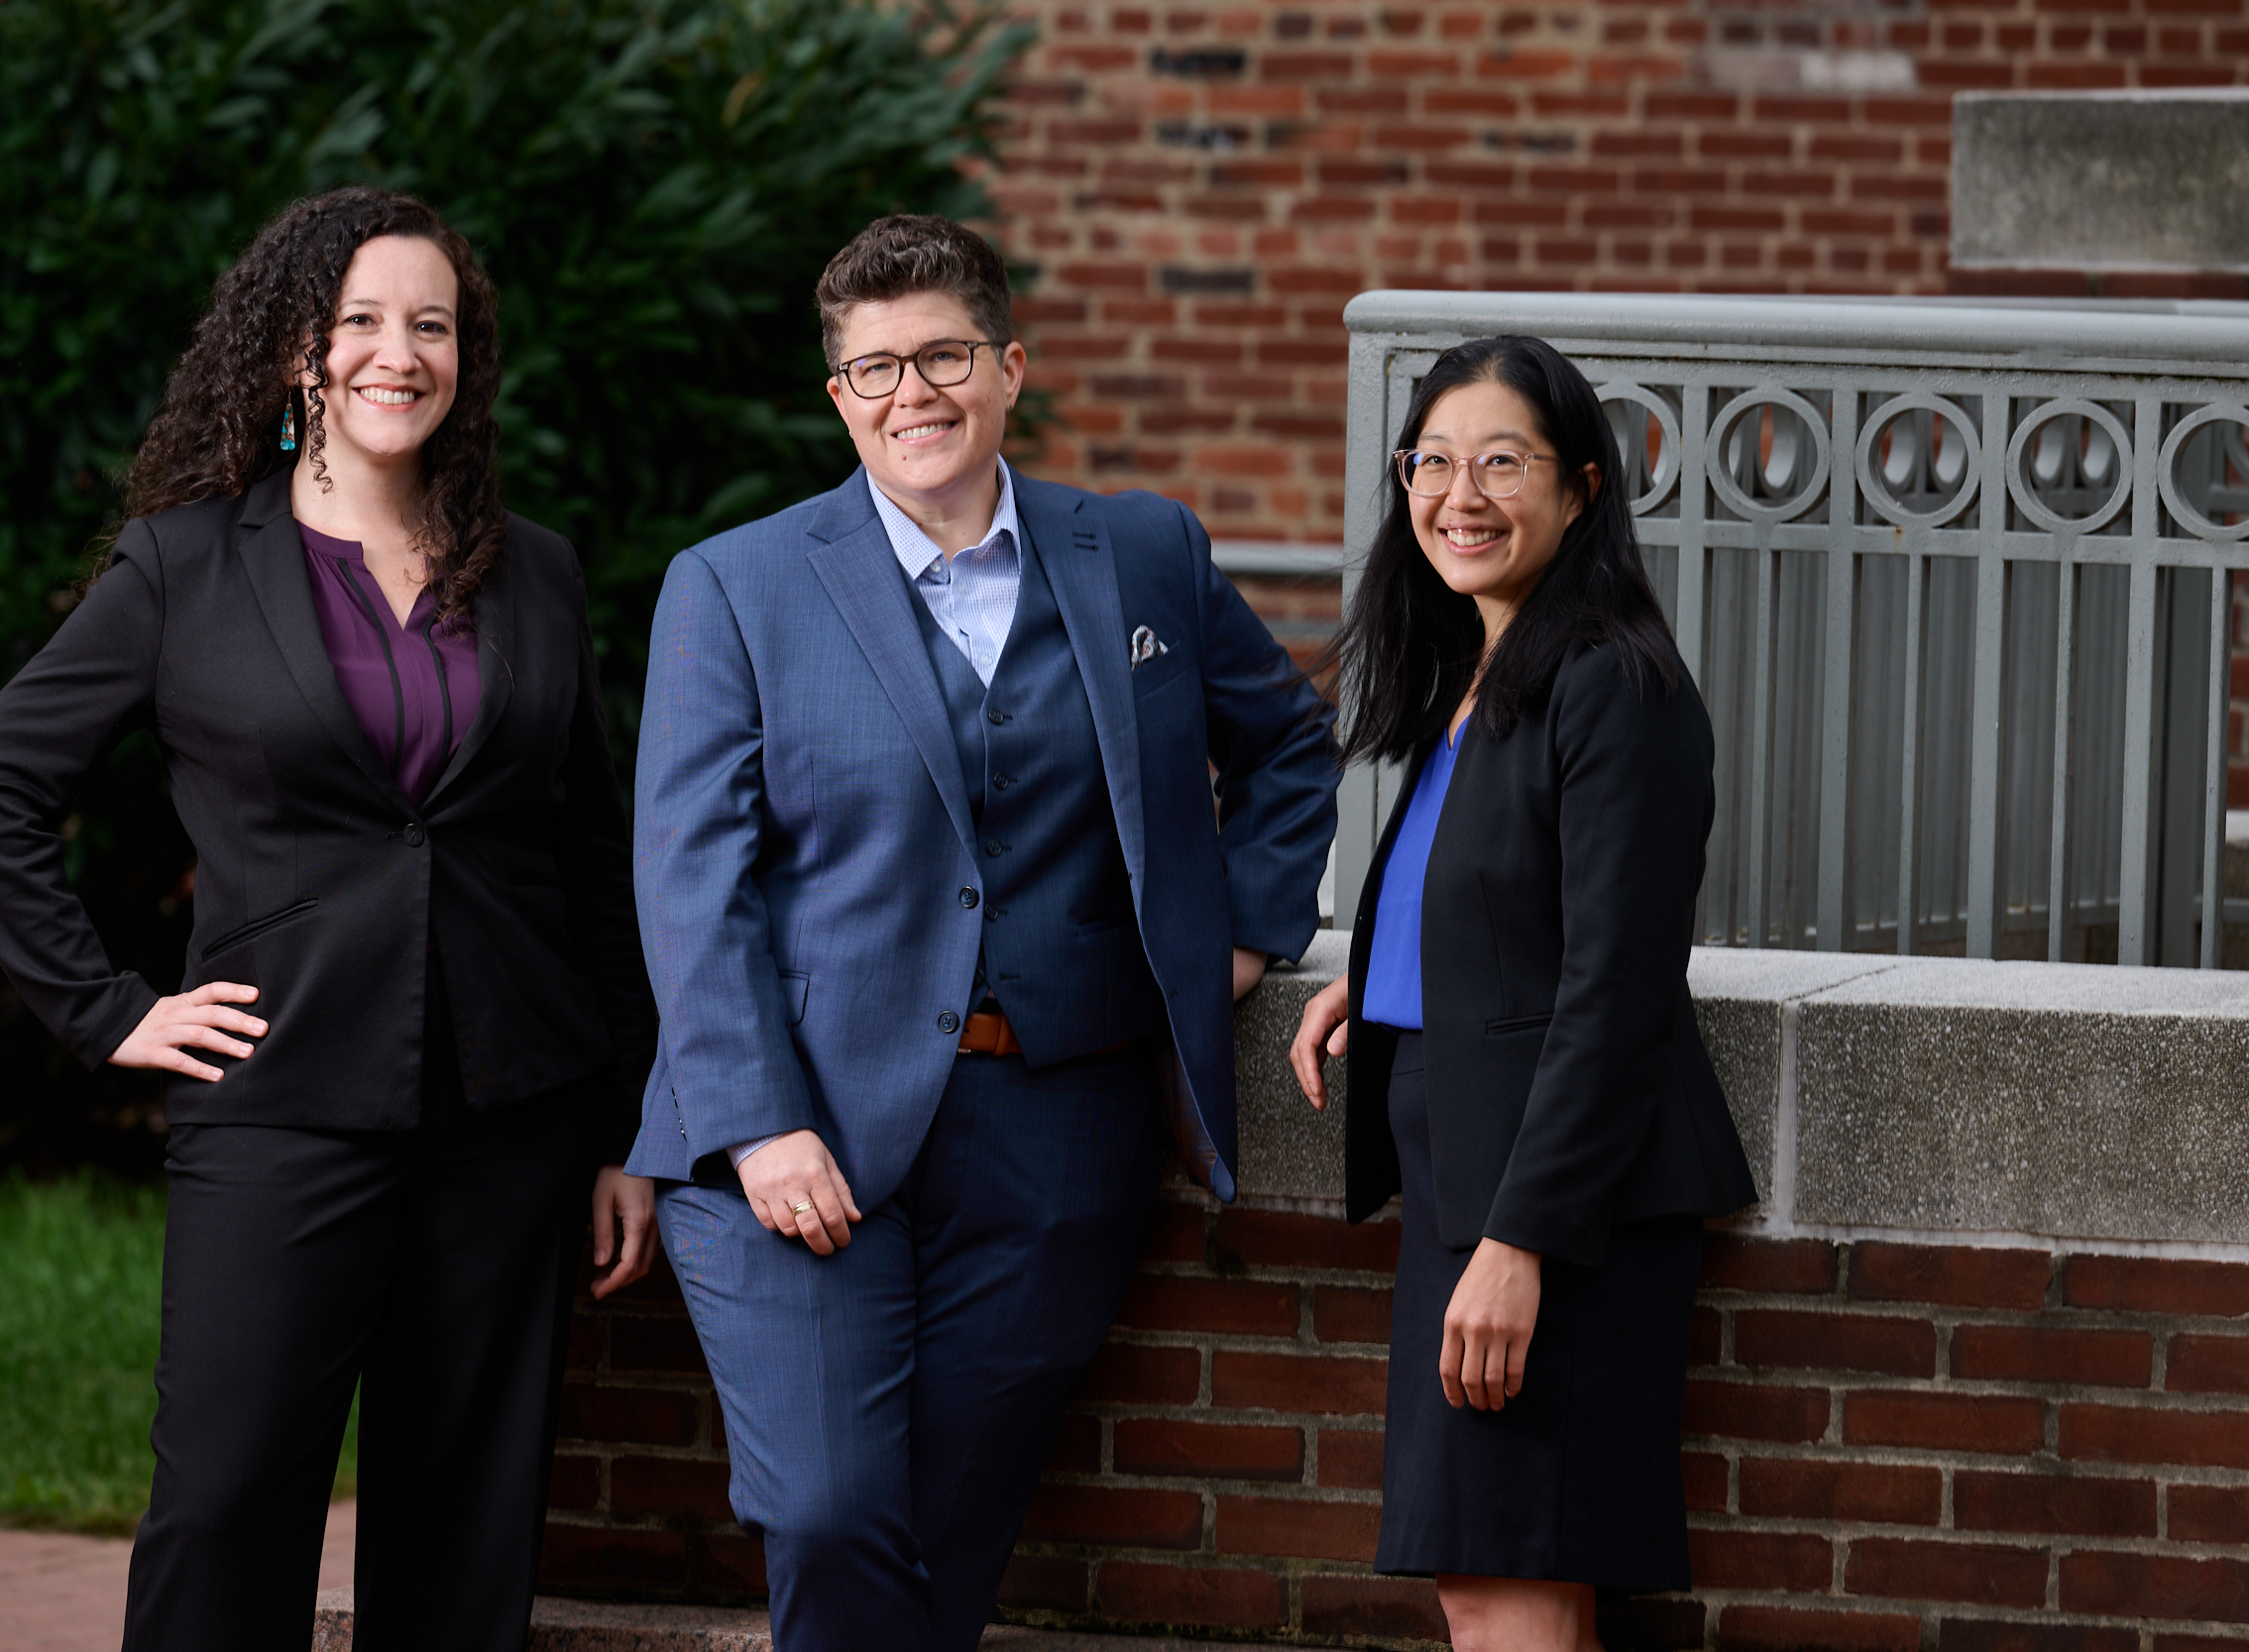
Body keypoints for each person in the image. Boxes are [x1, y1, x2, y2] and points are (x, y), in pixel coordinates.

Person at [0, 186, 658, 1652]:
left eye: (433, 325)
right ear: (296, 353)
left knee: (465, 1529)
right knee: (224, 1509)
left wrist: (623, 1130)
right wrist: (110, 1010)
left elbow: (591, 855)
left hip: (511, 1113)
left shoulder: (541, 573)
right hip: (276, 1104)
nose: (401, 353)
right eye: (364, 322)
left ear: (466, 358)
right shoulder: (186, 565)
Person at [623, 214, 1338, 1649]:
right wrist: (761, 1124)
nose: (913, 395)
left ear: (1007, 368)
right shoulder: (737, 585)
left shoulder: (1139, 553)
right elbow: (688, 877)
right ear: (838, 399)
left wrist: (1235, 936)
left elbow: (1291, 751)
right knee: (828, 1510)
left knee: (950, 1529)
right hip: (800, 1128)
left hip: (1058, 1138)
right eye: (874, 369)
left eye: (943, 355)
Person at [1288, 336, 1757, 1652]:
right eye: (1433, 461)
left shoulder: (1615, 682)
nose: (1460, 492)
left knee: (1515, 1582)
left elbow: (1613, 988)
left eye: (1504, 461)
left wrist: (1519, 1245)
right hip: (1469, 1172)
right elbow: (1498, 908)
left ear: (1583, 489)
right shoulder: (1478, 673)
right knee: (1481, 1576)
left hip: (1554, 1212)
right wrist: (1375, 987)